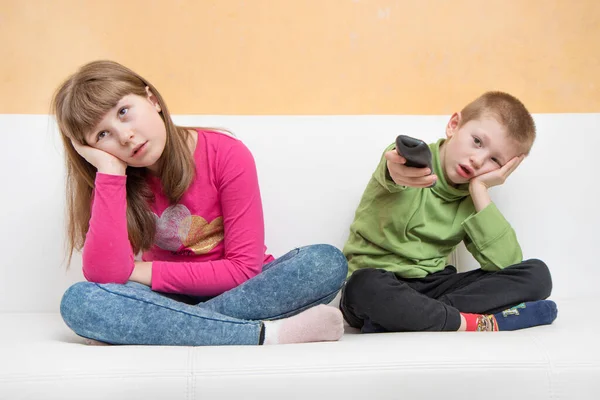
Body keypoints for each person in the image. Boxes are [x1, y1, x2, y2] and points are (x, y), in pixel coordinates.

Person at [53, 60, 347, 345]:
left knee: (325, 263)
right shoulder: (113, 179)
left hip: (245, 290)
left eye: (124, 112)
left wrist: (136, 272)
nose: (125, 136)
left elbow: (243, 269)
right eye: (102, 135)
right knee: (80, 301)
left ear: (152, 99)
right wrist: (110, 172)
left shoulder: (225, 153)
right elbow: (104, 274)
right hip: (165, 297)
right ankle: (265, 335)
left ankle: (175, 328)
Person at [340, 91, 557, 333]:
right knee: (364, 285)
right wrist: (396, 167)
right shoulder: (413, 161)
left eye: (494, 160)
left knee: (537, 275)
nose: (477, 160)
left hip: (434, 287)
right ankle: (466, 322)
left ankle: (412, 317)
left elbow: (507, 265)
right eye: (477, 141)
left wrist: (480, 189)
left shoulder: (472, 196)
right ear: (454, 125)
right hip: (379, 283)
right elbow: (393, 165)